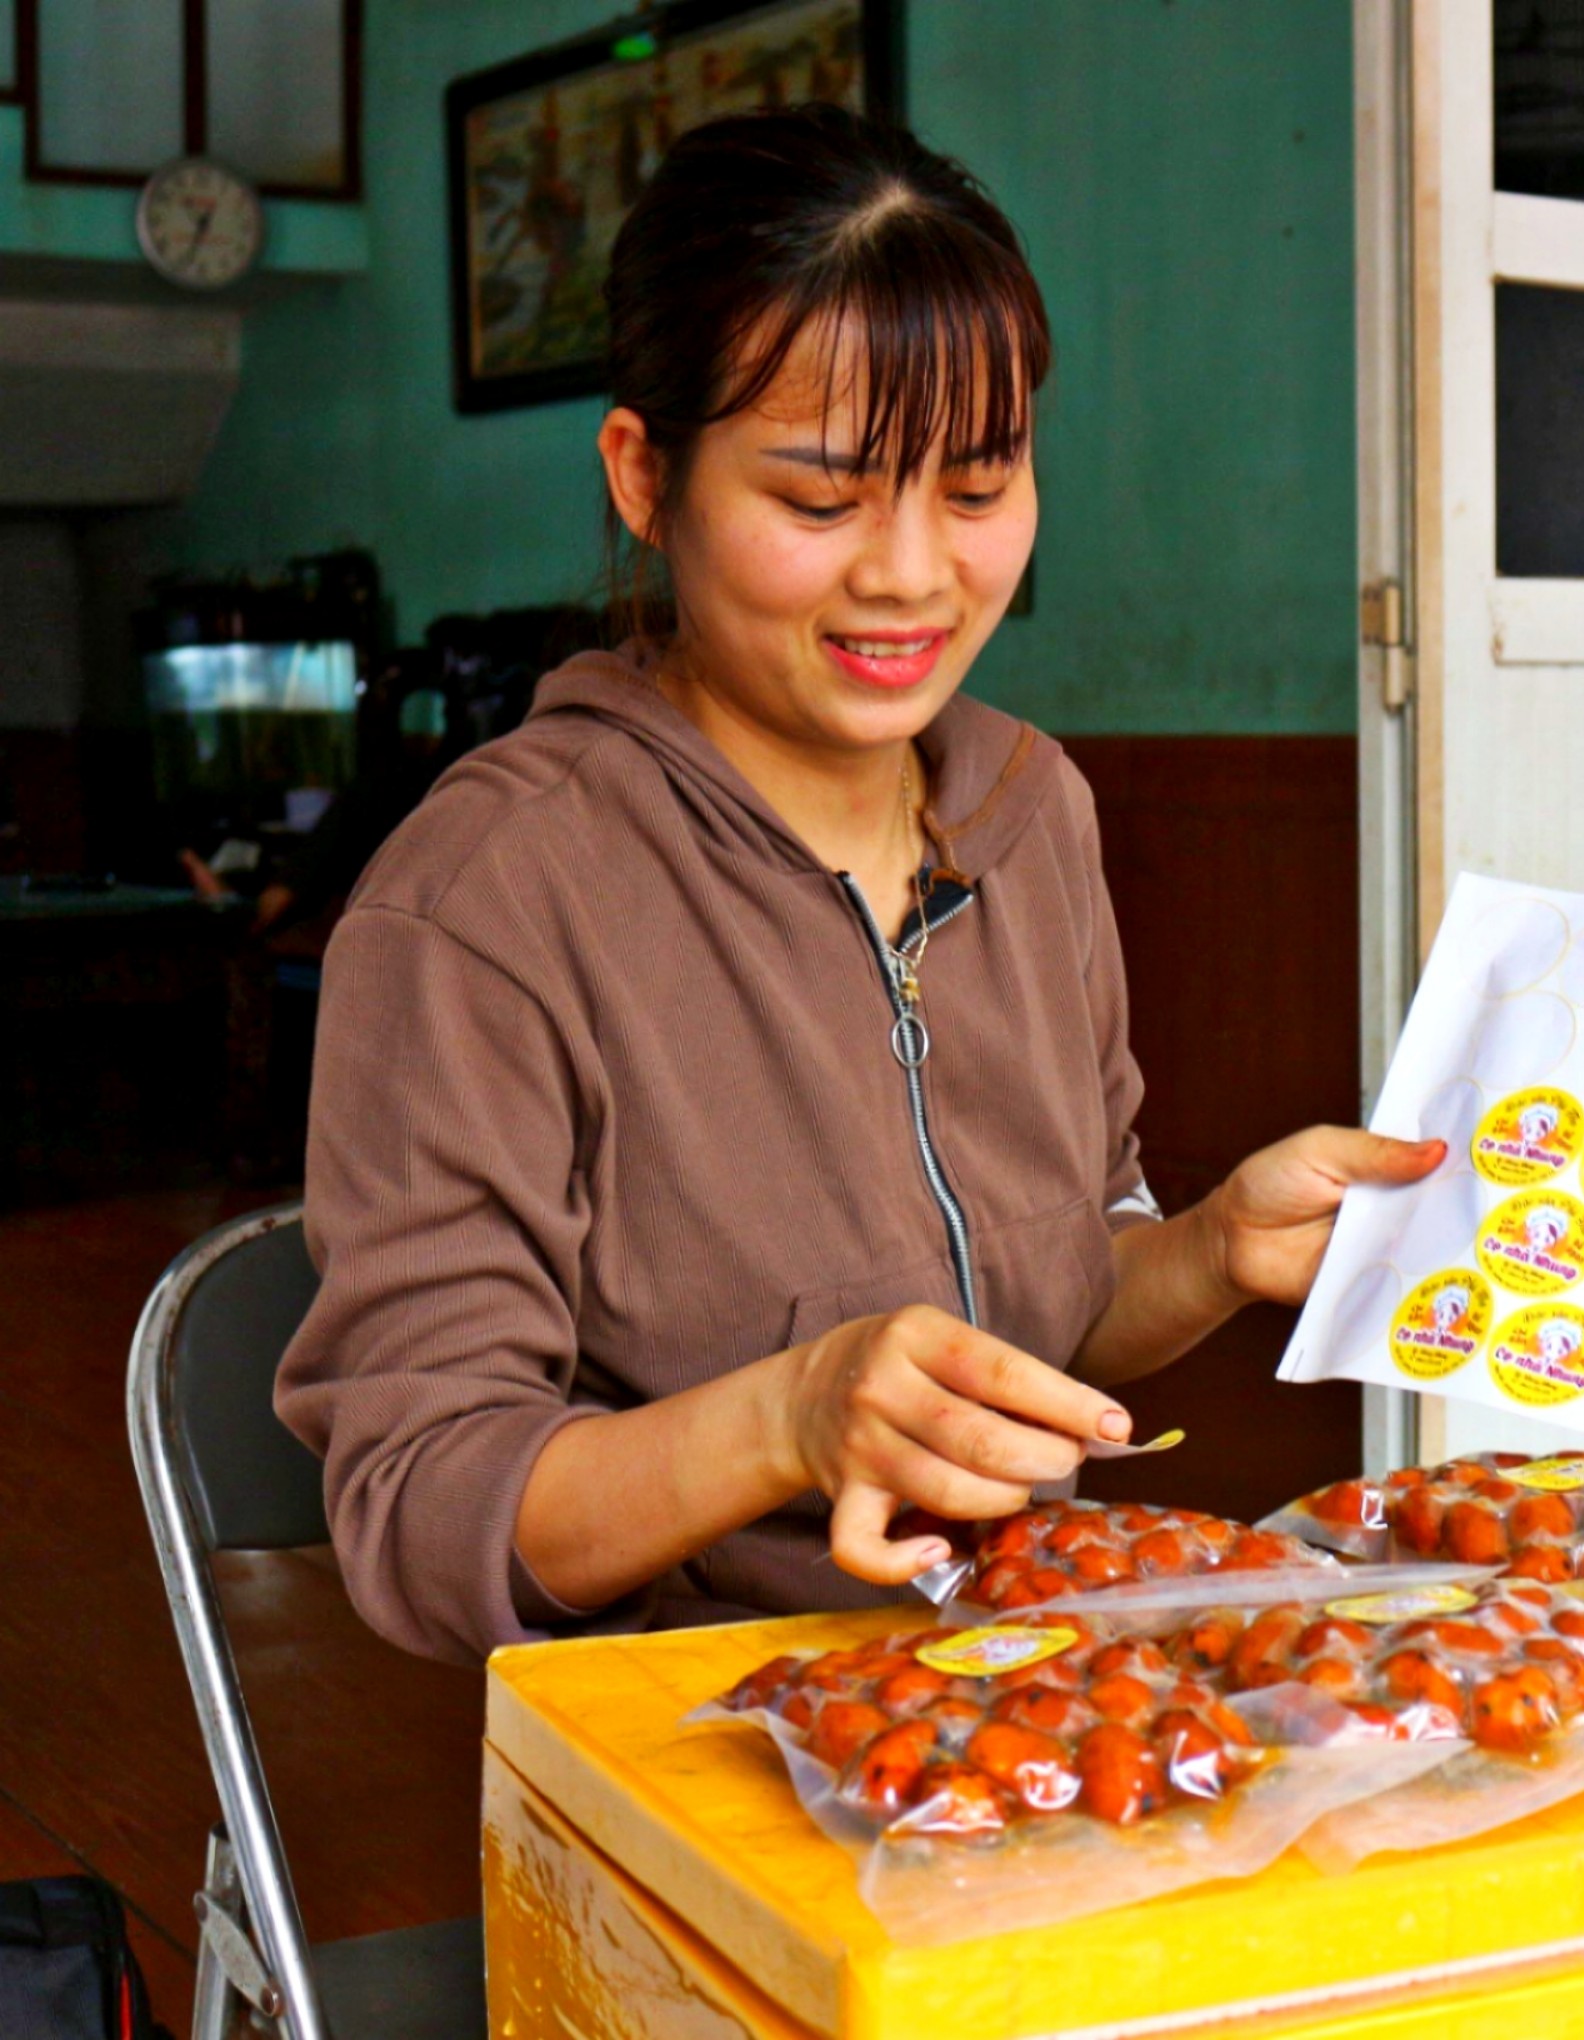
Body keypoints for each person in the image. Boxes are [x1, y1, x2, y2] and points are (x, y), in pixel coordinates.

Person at [277, 106, 1440, 1665]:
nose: (909, 573)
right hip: (709, 1743)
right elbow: (422, 1516)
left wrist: (1219, 1245)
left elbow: (1052, 1302)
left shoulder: (1030, 815)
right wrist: (790, 1417)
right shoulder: (492, 900)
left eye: (977, 487)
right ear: (644, 473)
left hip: (1043, 1688)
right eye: (821, 502)